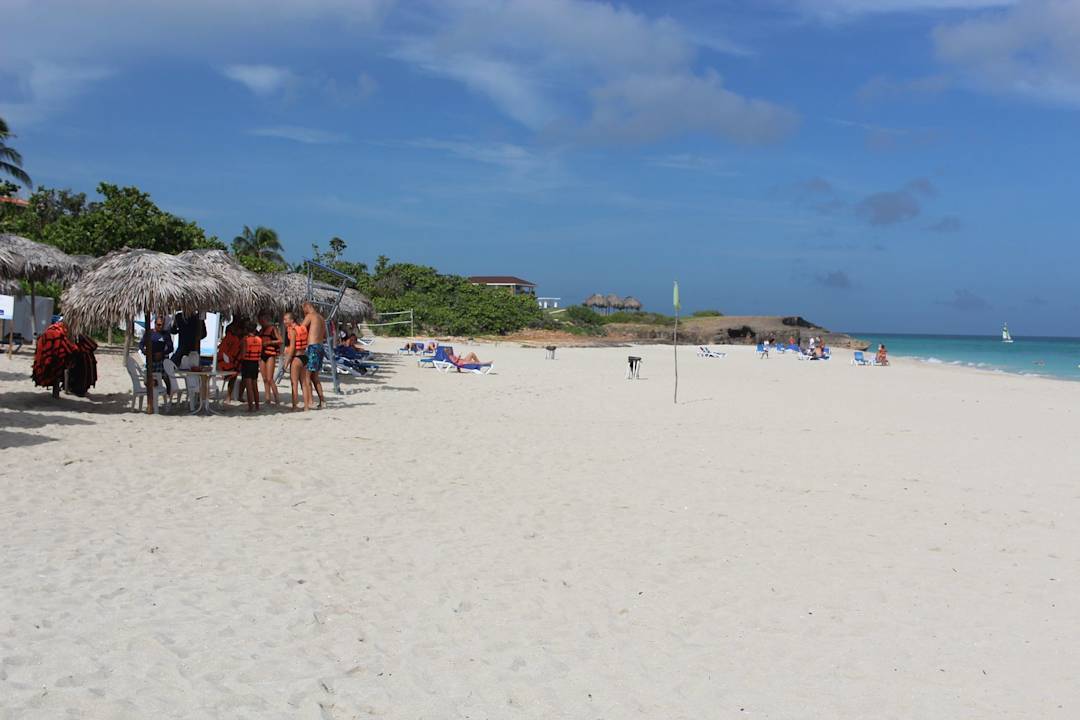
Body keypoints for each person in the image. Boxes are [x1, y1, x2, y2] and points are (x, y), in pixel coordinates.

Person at [301, 301, 327, 409]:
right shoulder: (321, 318)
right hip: (320, 347)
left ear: (307, 307)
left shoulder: (310, 316)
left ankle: (310, 401)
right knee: (315, 377)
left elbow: (300, 329)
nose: (303, 312)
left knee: (306, 376)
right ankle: (322, 401)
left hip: (312, 347)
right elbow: (324, 335)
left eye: (303, 309)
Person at [139, 316, 174, 392]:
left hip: (161, 360)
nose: (160, 327)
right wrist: (144, 351)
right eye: (158, 325)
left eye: (162, 325)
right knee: (150, 380)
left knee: (165, 377)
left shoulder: (165, 335)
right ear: (155, 324)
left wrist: (162, 353)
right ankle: (153, 394)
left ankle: (168, 392)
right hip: (151, 360)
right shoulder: (149, 333)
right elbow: (141, 344)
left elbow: (171, 348)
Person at [283, 312, 309, 411]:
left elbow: (293, 347)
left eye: (286, 319)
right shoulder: (302, 328)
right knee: (304, 383)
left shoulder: (293, 331)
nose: (284, 321)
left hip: (296, 358)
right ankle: (306, 406)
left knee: (294, 383)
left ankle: (294, 406)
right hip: (304, 357)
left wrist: (286, 362)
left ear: (291, 320)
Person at [217, 320, 244, 404]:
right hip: (229, 364)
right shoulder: (234, 339)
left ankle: (232, 396)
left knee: (236, 375)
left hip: (223, 363)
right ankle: (232, 396)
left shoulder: (227, 339)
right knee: (235, 375)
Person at [257, 312, 282, 405]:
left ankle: (277, 398)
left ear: (266, 319)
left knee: (270, 378)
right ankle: (267, 398)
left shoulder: (272, 329)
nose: (260, 321)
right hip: (262, 354)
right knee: (264, 378)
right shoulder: (261, 330)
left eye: (261, 319)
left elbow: (280, 340)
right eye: (259, 320)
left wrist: (269, 343)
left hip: (270, 354)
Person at [240, 322, 262, 412]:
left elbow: (243, 353)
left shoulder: (245, 339)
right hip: (255, 363)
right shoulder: (259, 339)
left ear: (246, 330)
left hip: (247, 363)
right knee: (254, 385)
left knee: (248, 386)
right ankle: (257, 406)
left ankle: (250, 407)